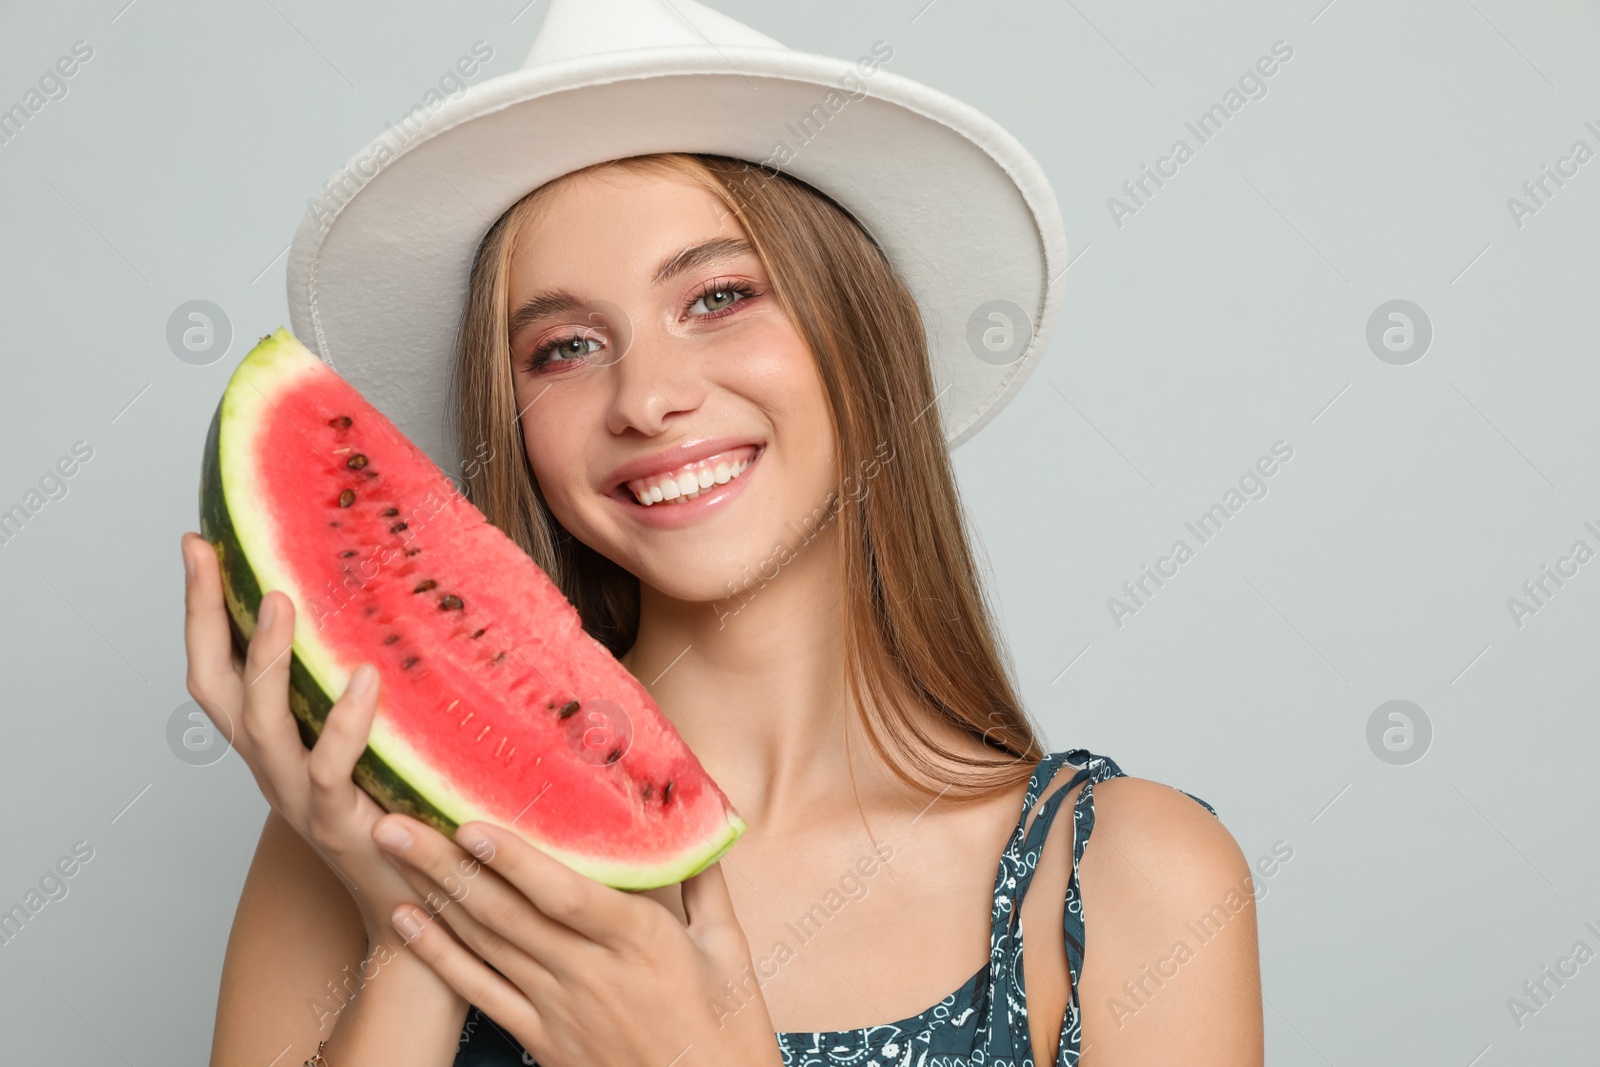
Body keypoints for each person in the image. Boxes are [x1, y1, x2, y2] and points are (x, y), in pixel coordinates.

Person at [181, 4, 1263, 1066]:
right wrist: (415, 932)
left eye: (719, 296)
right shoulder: (346, 835)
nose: (645, 397)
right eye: (561, 348)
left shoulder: (1131, 876)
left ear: (859, 332)